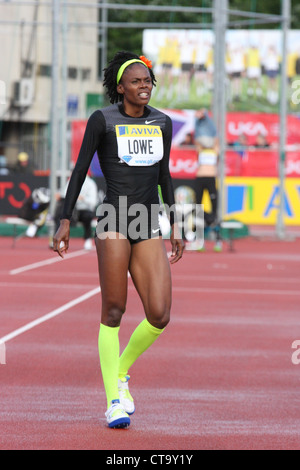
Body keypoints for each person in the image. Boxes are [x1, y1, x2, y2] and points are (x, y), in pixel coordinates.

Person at [52, 51, 184, 430]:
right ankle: (114, 401)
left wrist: (175, 223)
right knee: (114, 310)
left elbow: (165, 175)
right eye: (137, 81)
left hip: (147, 219)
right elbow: (79, 170)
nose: (144, 86)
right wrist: (64, 219)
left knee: (159, 313)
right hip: (113, 217)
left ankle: (121, 371)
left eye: (148, 81)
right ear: (121, 87)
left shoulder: (162, 122)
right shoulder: (102, 120)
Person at [194, 108, 222, 252]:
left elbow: (214, 133)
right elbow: (197, 134)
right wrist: (198, 118)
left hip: (211, 179)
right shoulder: (200, 148)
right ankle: (200, 240)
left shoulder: (215, 148)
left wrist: (206, 116)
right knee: (198, 209)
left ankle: (218, 240)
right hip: (200, 179)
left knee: (215, 210)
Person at [54, 174, 98, 250]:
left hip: (83, 210)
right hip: (72, 209)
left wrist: (82, 198)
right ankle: (59, 239)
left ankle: (87, 239)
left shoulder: (91, 184)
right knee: (60, 215)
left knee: (87, 216)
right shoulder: (71, 181)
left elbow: (93, 202)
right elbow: (64, 194)